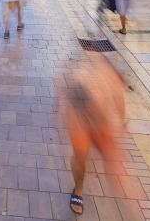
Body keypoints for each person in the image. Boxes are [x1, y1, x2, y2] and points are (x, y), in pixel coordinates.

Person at [62, 53, 126, 215]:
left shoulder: (109, 75)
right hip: (80, 120)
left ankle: (116, 184)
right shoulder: (79, 73)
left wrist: (121, 119)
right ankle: (79, 190)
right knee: (81, 155)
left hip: (101, 121)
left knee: (111, 157)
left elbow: (119, 98)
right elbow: (68, 98)